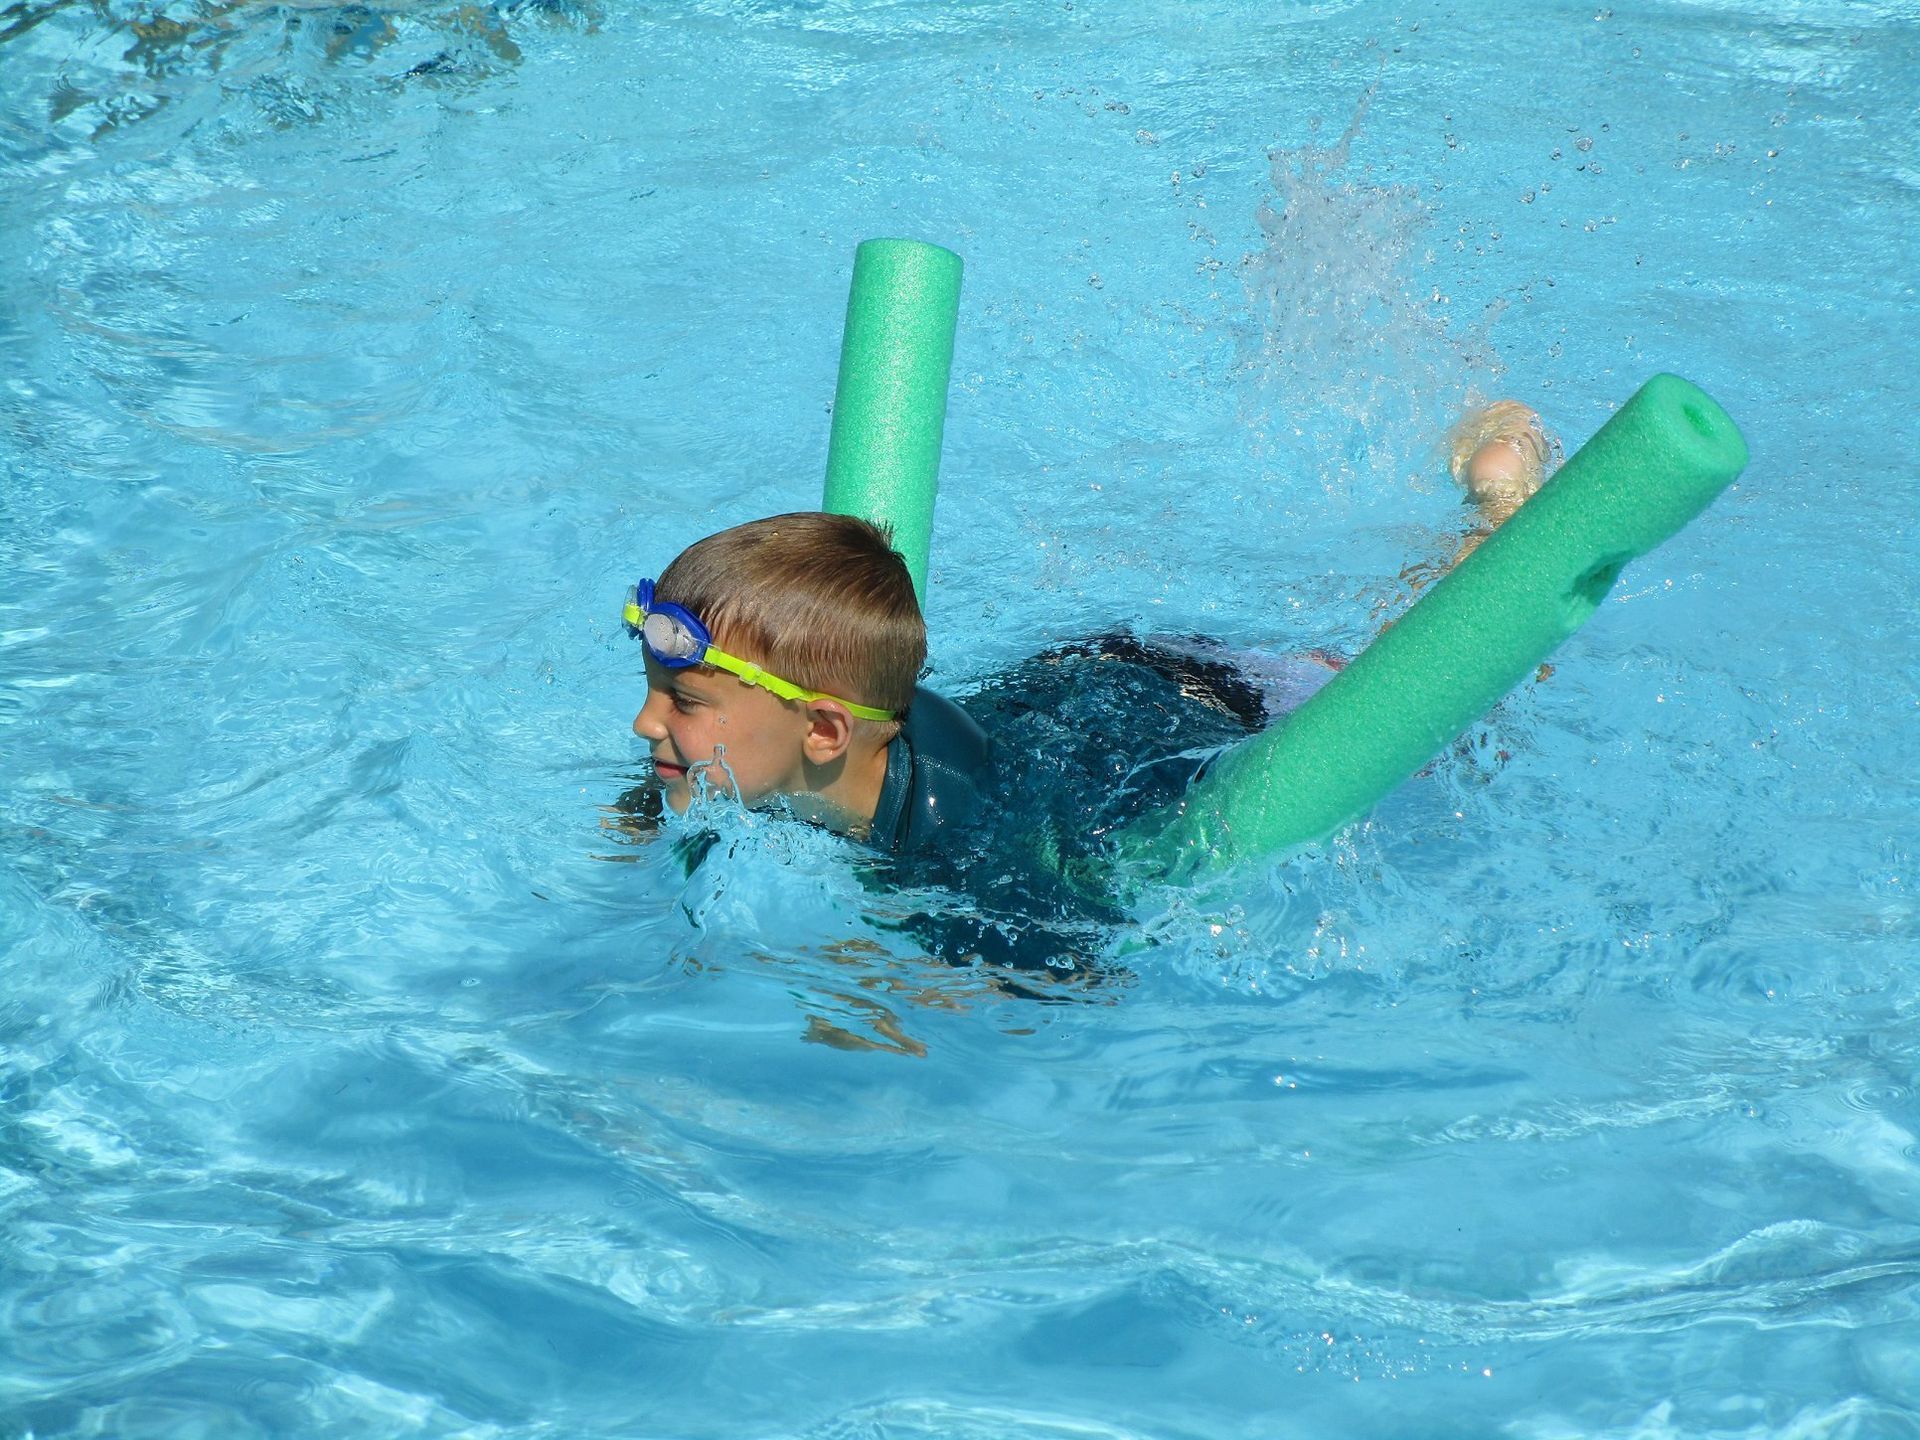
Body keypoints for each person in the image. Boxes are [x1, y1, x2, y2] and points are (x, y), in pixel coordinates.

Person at [616, 402, 1557, 966]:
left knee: (1461, 712)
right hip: (1091, 684)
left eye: (683, 702)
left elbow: (1073, 969)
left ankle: (1501, 513)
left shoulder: (971, 848)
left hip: (1217, 714)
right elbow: (665, 799)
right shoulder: (758, 757)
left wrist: (896, 990)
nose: (643, 723)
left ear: (824, 732)